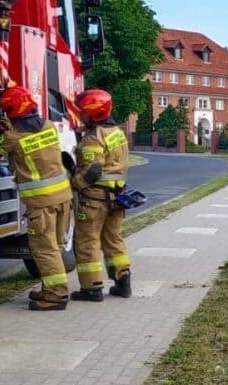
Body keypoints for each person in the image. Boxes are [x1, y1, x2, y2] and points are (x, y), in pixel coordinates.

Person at [0, 86, 85, 311]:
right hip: (63, 198)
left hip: (42, 204)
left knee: (44, 249)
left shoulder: (12, 138)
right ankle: (49, 288)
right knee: (56, 245)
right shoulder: (50, 127)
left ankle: (56, 295)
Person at [70, 88, 132, 302]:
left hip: (95, 200)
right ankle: (123, 283)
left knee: (87, 242)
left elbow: (93, 171)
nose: (80, 115)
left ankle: (92, 288)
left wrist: (74, 184)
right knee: (114, 240)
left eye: (83, 111)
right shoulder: (117, 132)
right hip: (117, 197)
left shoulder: (92, 138)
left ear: (93, 113)